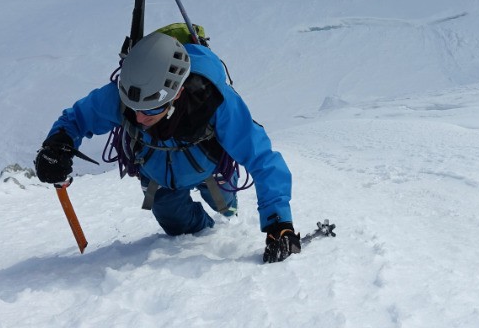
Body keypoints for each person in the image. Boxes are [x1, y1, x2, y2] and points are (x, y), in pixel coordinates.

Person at [34, 30, 301, 263]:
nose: (139, 118)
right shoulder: (123, 94)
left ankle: (226, 213)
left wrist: (279, 223)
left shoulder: (213, 101)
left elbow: (262, 157)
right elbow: (76, 118)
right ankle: (206, 228)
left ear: (178, 94)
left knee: (227, 209)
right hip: (158, 178)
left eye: (152, 109)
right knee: (180, 229)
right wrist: (56, 145)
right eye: (134, 108)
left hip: (212, 170)